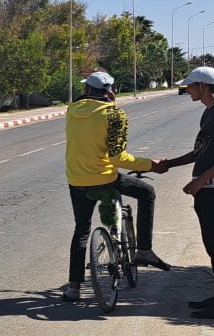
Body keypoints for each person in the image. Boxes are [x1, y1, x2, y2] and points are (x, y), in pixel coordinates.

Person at [60, 71, 169, 302]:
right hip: (105, 179)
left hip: (76, 179)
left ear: (88, 90)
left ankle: (73, 288)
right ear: (110, 91)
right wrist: (150, 165)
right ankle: (144, 250)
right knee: (147, 193)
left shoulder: (72, 109)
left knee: (81, 231)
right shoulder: (114, 114)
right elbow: (117, 158)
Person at [149, 66, 214, 316]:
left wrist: (200, 182)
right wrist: (169, 164)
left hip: (210, 188)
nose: (187, 90)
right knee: (211, 244)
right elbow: (200, 151)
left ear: (204, 87)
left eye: (190, 86)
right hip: (205, 190)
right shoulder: (208, 114)